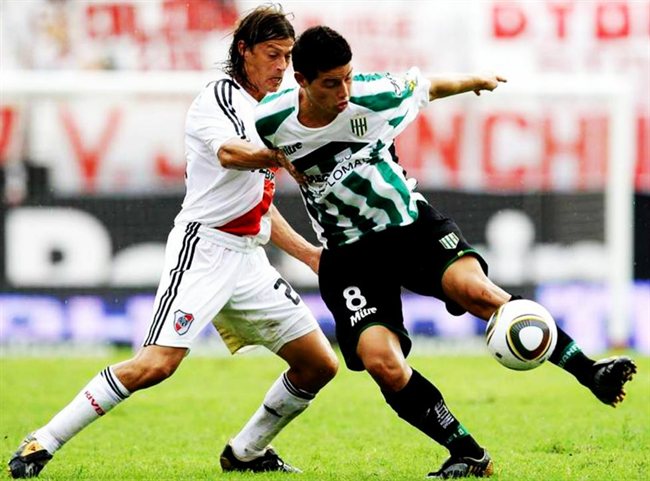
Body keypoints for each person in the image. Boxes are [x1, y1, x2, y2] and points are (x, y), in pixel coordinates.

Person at [255, 25, 637, 479]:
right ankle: (467, 453)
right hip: (349, 255)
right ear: (301, 81)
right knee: (383, 364)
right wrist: (267, 167)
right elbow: (251, 171)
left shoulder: (375, 96)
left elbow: (428, 86)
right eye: (331, 83)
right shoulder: (270, 121)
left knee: (478, 292)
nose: (344, 92)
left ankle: (591, 372)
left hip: (410, 227)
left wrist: (475, 80)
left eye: (349, 78)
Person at [7, 7, 339, 479]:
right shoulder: (218, 97)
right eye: (272, 54)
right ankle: (43, 440)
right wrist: (284, 154)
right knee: (155, 365)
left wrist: (308, 254)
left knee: (318, 364)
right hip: (204, 250)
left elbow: (258, 200)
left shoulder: (274, 106)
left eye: (287, 56)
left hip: (248, 259)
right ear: (244, 51)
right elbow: (231, 154)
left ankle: (246, 452)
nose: (282, 66)